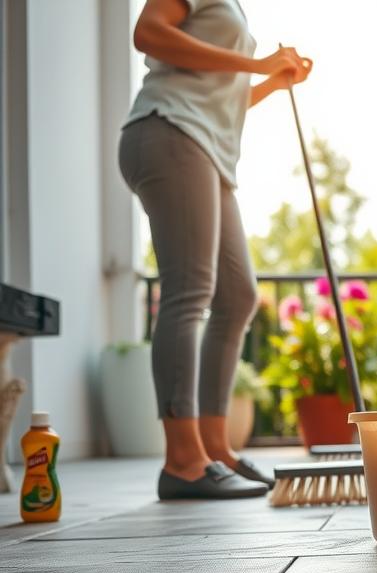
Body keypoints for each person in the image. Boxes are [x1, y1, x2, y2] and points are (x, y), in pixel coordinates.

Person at [119, 0, 311, 499]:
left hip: (205, 146)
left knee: (238, 297)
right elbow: (148, 33)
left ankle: (214, 448)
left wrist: (271, 82)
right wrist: (257, 63)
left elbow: (219, 95)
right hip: (169, 132)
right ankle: (183, 461)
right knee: (190, 291)